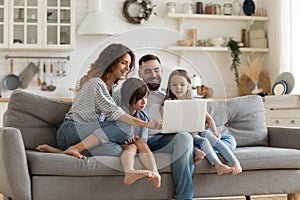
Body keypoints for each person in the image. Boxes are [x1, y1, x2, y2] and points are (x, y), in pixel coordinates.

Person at [36, 43, 161, 169]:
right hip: (71, 131)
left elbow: (109, 123)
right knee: (125, 126)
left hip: (87, 135)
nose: (127, 68)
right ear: (111, 62)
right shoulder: (97, 84)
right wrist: (147, 124)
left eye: (129, 64)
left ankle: (62, 152)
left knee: (116, 152)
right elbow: (117, 115)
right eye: (123, 63)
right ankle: (75, 148)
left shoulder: (110, 88)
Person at [163, 69, 242, 175]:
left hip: (199, 131)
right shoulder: (168, 104)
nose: (178, 88)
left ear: (189, 86)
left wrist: (215, 131)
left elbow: (209, 119)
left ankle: (234, 161)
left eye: (182, 84)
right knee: (204, 141)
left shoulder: (193, 102)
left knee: (211, 137)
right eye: (174, 85)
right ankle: (217, 164)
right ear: (169, 86)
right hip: (185, 137)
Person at [138, 54, 195, 200]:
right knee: (185, 138)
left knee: (185, 137)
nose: (153, 75)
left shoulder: (168, 95)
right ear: (140, 74)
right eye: (148, 71)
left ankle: (183, 197)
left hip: (167, 137)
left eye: (156, 70)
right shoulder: (133, 94)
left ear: (162, 71)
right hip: (146, 141)